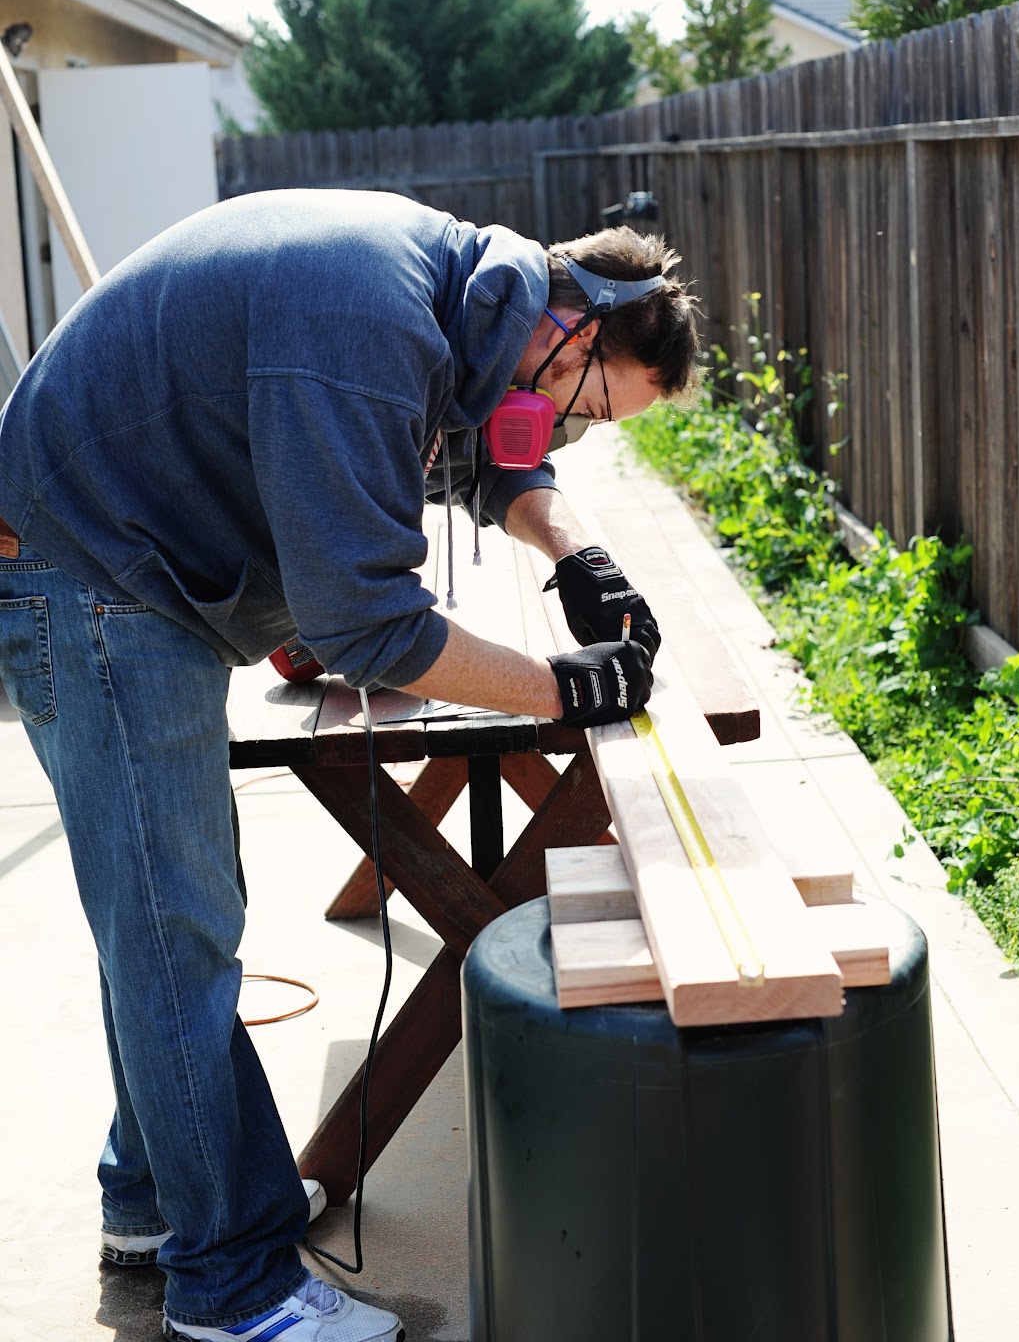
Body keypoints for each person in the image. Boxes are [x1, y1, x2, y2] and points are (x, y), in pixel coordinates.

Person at [0, 189, 700, 1342]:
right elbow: (369, 627)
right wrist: (564, 690)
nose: (568, 432)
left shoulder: (465, 300)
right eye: (586, 404)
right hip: (94, 574)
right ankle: (232, 1286)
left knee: (163, 917)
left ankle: (153, 1205)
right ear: (570, 327)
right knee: (174, 931)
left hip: (123, 561)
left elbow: (491, 458)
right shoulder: (370, 323)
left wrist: (582, 556)